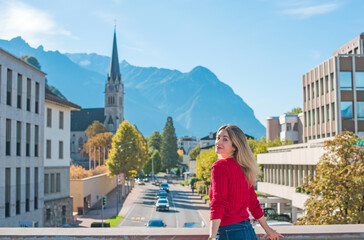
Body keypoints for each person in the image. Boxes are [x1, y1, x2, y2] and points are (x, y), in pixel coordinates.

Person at [209, 124, 284, 240]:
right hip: (248, 231)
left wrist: (212, 237)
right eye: (218, 138)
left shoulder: (219, 167)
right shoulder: (244, 168)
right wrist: (268, 230)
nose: (218, 142)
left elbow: (218, 202)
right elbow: (253, 203)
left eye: (225, 139)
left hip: (229, 233)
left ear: (235, 146)